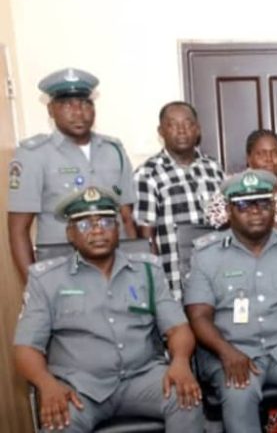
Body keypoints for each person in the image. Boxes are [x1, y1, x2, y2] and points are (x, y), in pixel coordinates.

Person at [14, 187, 202, 432]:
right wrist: (46, 384)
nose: (97, 230)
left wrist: (180, 362)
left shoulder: (147, 270)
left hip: (142, 378)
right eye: (84, 224)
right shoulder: (47, 280)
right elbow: (26, 348)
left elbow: (178, 328)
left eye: (105, 222)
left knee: (186, 398)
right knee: (59, 423)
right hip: (80, 388)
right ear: (70, 234)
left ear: (118, 228)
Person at [184, 170, 277, 431]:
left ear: (274, 207)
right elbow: (198, 316)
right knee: (239, 395)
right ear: (229, 211)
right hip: (233, 352)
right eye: (243, 205)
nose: (255, 211)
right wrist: (226, 352)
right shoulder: (206, 254)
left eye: (263, 203)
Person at [8, 67, 137, 280]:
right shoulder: (33, 155)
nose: (78, 112)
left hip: (115, 267)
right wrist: (34, 287)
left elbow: (127, 218)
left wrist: (136, 272)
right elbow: (18, 230)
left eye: (85, 103)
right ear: (50, 110)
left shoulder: (114, 150)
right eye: (67, 104)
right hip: (60, 269)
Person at [134, 101, 225, 299]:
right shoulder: (147, 174)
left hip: (218, 274)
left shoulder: (214, 168)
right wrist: (156, 283)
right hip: (174, 281)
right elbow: (146, 236)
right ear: (161, 131)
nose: (181, 130)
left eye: (187, 123)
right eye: (173, 124)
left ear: (197, 129)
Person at [205, 129, 277, 231]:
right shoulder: (233, 185)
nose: (269, 159)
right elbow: (214, 219)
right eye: (261, 154)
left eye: (275, 153)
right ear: (249, 158)